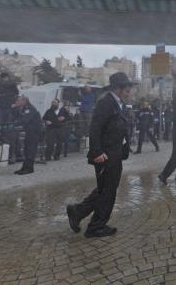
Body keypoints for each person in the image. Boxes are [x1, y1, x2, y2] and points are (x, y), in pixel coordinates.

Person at [66, 72, 133, 238]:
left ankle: (78, 211)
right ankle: (96, 226)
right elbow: (95, 128)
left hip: (114, 154)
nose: (129, 91)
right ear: (118, 88)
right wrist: (97, 152)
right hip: (105, 155)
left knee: (105, 189)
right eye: (127, 88)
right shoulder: (106, 103)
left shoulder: (118, 103)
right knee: (108, 191)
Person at [13, 96, 42, 175]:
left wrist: (14, 124)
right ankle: (24, 167)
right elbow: (17, 117)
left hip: (34, 132)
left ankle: (29, 168)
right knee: (26, 150)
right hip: (29, 131)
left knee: (30, 150)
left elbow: (25, 119)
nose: (17, 102)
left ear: (24, 101)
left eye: (18, 100)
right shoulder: (23, 108)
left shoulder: (29, 108)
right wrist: (15, 108)